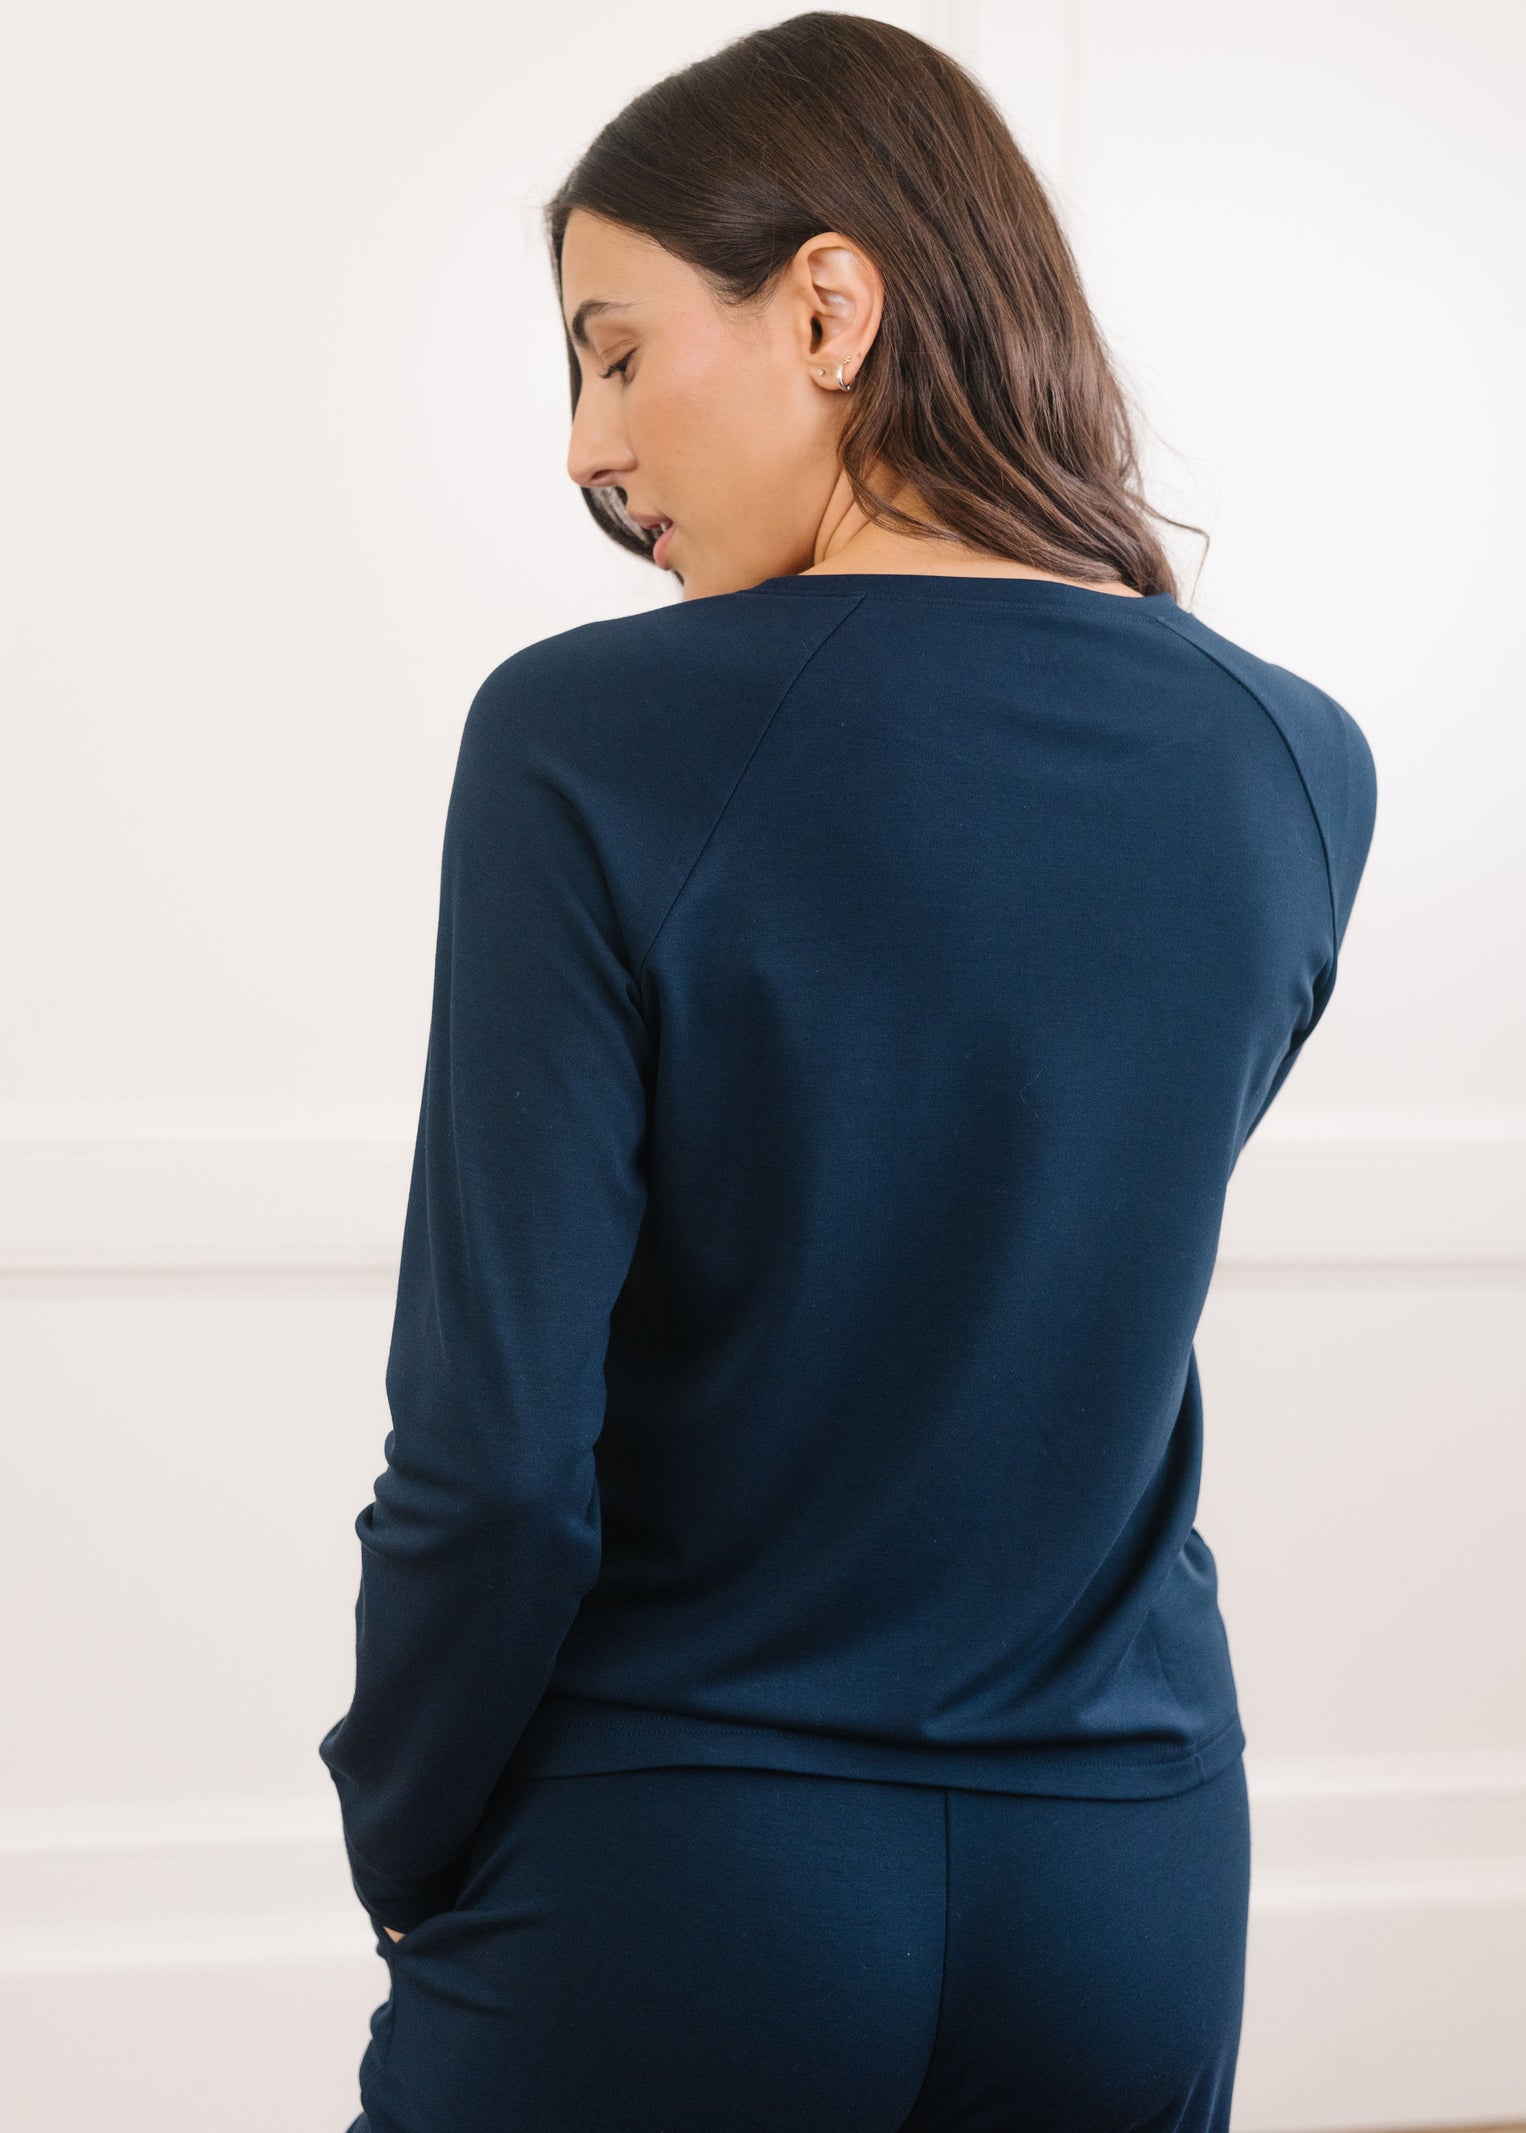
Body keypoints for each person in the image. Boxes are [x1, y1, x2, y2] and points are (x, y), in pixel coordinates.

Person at [318, 13, 1378, 2130]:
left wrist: (413, 1838)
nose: (584, 446)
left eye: (614, 349)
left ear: (825, 302)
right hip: (1128, 1873)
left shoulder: (580, 739)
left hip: (682, 1859)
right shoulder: (1290, 762)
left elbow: (496, 1462)